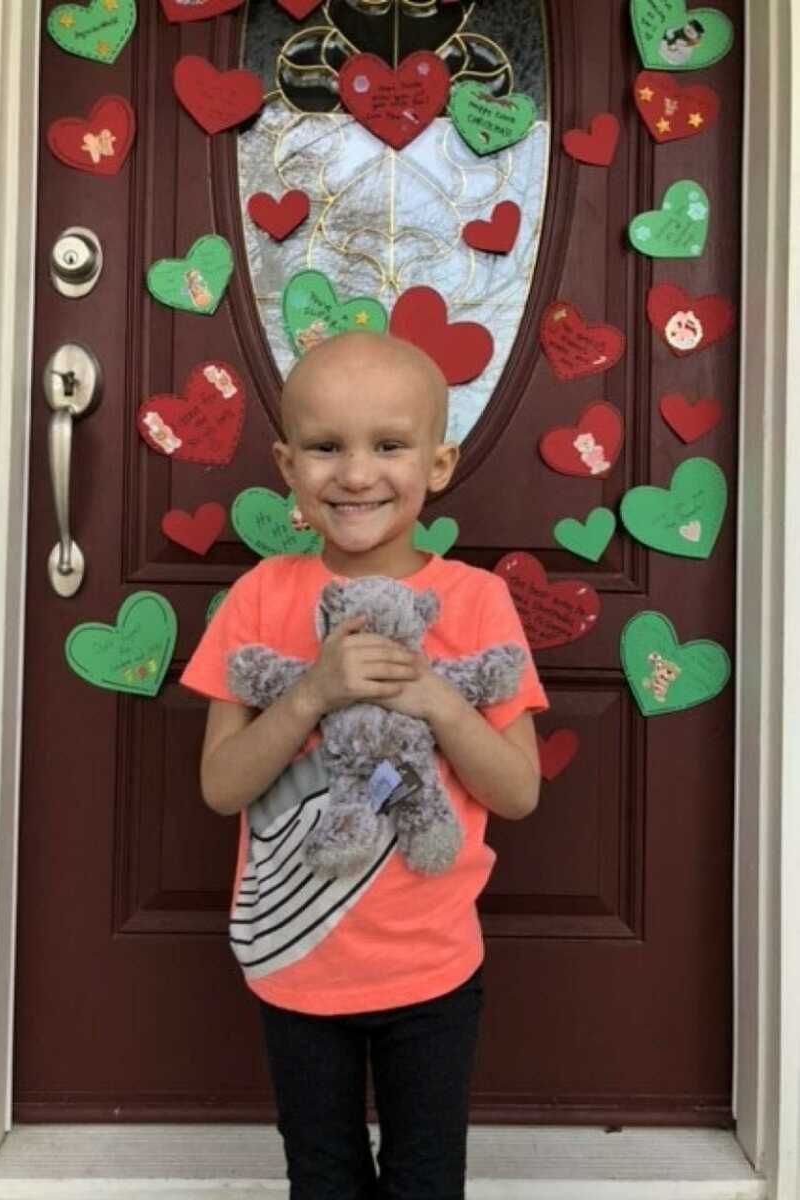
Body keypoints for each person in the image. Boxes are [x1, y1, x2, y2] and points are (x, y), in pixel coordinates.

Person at [180, 330, 549, 1200]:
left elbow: (519, 791)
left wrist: (437, 699)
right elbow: (220, 784)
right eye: (325, 447)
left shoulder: (477, 600)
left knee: (425, 1182)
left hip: (433, 968)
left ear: (440, 462)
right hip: (296, 965)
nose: (355, 474)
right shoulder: (260, 597)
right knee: (324, 1178)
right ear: (286, 463)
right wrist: (309, 695)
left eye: (388, 446)